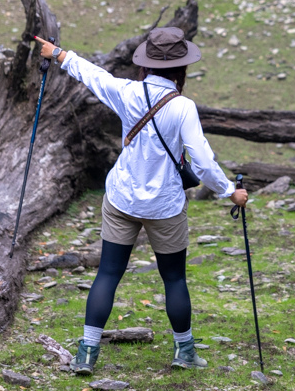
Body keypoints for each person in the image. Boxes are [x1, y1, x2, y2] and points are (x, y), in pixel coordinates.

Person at [34, 28, 247, 374]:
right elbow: (203, 162)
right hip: (165, 206)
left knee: (107, 273)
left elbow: (94, 76)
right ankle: (185, 351)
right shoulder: (183, 107)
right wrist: (229, 192)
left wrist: (58, 54)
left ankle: (86, 354)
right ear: (181, 70)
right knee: (174, 279)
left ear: (146, 65)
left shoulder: (128, 91)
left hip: (121, 198)